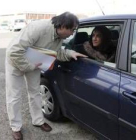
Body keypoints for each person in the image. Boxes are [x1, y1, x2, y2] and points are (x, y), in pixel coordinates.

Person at [5, 12, 87, 140]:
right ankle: (15, 127)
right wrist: (30, 66)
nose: (72, 33)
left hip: (34, 60)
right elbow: (14, 51)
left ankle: (38, 120)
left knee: (35, 92)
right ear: (63, 26)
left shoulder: (59, 37)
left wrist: (70, 54)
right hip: (15, 61)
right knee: (14, 96)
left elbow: (56, 52)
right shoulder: (38, 28)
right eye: (72, 30)